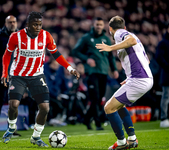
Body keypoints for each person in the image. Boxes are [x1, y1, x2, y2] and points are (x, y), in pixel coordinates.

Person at [1, 12, 80, 147]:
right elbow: (7, 55)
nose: (38, 27)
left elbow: (56, 54)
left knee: (44, 108)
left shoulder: (46, 36)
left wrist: (69, 68)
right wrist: (4, 73)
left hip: (37, 75)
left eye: (40, 24)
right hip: (18, 75)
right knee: (13, 105)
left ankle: (36, 136)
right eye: (35, 24)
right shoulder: (16, 37)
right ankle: (12, 127)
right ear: (27, 25)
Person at [95, 16, 153, 150]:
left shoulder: (120, 33)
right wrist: (130, 76)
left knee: (108, 108)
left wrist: (110, 48)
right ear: (125, 26)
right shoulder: (134, 36)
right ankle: (132, 139)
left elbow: (131, 40)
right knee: (119, 106)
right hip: (144, 78)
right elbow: (146, 61)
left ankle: (121, 142)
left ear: (110, 29)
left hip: (139, 80)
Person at [72, 17, 118, 130]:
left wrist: (114, 69)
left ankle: (86, 119)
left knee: (98, 99)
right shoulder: (86, 38)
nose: (98, 27)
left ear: (104, 26)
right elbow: (75, 51)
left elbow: (111, 56)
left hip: (103, 72)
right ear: (93, 25)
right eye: (97, 24)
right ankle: (98, 123)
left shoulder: (106, 39)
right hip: (91, 72)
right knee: (95, 98)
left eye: (100, 25)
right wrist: (87, 59)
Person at [0, 15, 19, 137]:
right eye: (10, 22)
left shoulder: (20, 37)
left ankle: (11, 128)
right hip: (3, 74)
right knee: (0, 100)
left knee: (14, 102)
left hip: (16, 74)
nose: (12, 24)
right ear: (5, 24)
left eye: (14, 22)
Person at [155, 24, 169, 128]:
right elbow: (159, 58)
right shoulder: (163, 43)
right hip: (167, 74)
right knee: (166, 96)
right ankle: (164, 118)